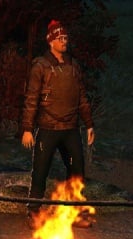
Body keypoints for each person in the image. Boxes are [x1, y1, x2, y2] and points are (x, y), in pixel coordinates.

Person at [21, 19, 95, 226]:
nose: (64, 41)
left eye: (65, 38)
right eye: (60, 38)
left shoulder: (73, 65)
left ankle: (74, 213)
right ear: (51, 41)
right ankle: (34, 211)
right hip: (48, 128)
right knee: (40, 171)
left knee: (77, 171)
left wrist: (89, 124)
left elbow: (81, 97)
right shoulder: (40, 66)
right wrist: (27, 128)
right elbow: (31, 99)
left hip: (70, 129)